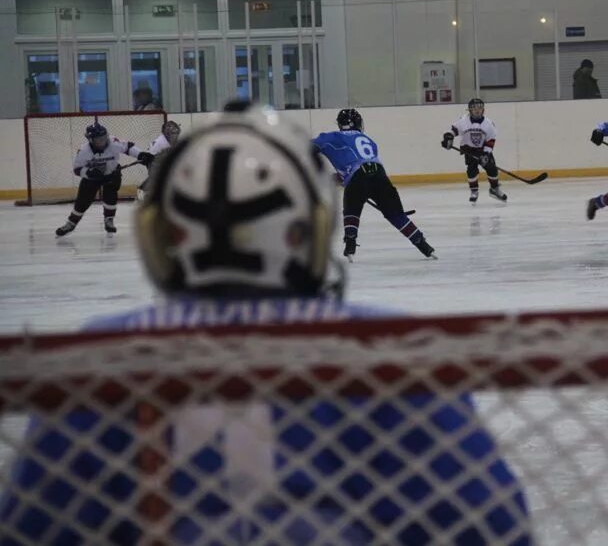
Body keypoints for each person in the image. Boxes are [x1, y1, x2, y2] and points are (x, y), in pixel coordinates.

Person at [2, 102, 531, 544]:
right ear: (310, 231)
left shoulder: (98, 358)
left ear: (163, 237)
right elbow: (498, 528)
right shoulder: (391, 350)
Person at [314, 108, 436, 262]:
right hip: (380, 176)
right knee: (396, 215)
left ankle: (350, 243)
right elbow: (363, 164)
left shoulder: (331, 137)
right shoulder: (370, 141)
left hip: (357, 178)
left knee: (351, 210)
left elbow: (309, 147)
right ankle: (422, 244)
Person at [55, 122, 154, 237]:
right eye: (98, 139)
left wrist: (140, 154)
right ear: (91, 140)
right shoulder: (84, 151)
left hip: (112, 174)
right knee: (83, 201)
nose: (102, 141)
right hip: (91, 179)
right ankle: (71, 223)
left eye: (103, 138)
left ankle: (109, 220)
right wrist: (89, 173)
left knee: (111, 196)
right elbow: (77, 169)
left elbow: (128, 146)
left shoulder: (113, 142)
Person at [442, 98, 507, 203]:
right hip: (469, 149)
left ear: (483, 110)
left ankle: (494, 189)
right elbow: (453, 130)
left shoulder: (488, 124)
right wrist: (448, 137)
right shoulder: (463, 121)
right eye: (474, 108)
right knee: (472, 170)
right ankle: (474, 191)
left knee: (492, 168)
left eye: (480, 108)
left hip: (483, 149)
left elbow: (490, 140)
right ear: (470, 110)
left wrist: (486, 154)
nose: (477, 110)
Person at [136, 119, 181, 202]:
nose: (176, 136)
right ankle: (143, 190)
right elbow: (150, 156)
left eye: (176, 133)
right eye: (173, 133)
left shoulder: (170, 140)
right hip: (153, 161)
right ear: (167, 133)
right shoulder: (161, 142)